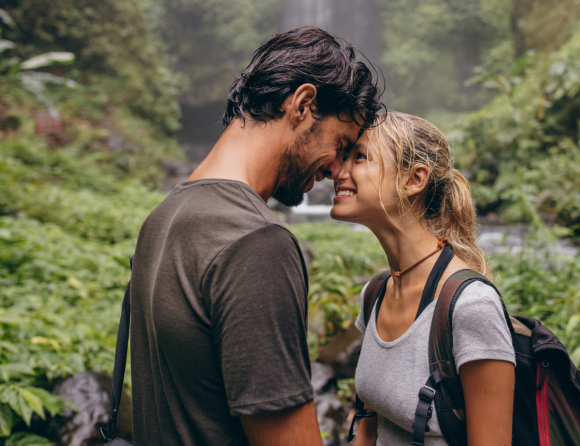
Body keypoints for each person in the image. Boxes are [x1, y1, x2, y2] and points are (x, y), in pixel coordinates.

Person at [129, 27, 383, 446]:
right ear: (302, 105)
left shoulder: (162, 218)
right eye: (341, 144)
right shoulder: (256, 243)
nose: (338, 171)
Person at [330, 112, 515, 446]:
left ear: (413, 179)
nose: (337, 171)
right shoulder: (375, 294)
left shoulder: (471, 306)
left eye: (359, 157)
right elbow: (368, 431)